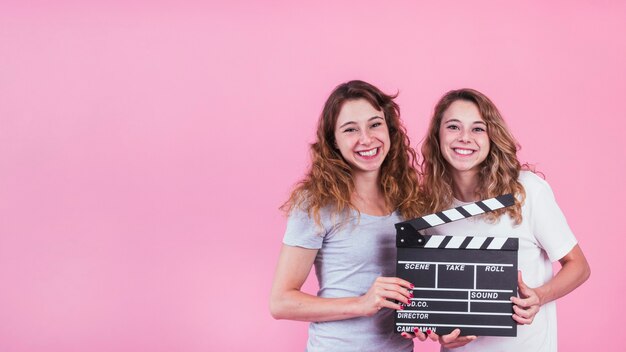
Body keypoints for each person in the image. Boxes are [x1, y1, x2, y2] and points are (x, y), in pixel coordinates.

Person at [416, 88, 591, 351]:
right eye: (453, 126)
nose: (465, 137)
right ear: (438, 136)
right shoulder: (428, 204)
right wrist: (440, 332)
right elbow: (432, 294)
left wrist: (539, 297)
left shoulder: (527, 191)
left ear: (491, 137)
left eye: (478, 129)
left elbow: (579, 266)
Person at [269, 80, 423, 351]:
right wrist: (361, 304)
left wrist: (426, 318)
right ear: (334, 142)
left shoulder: (408, 198)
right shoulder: (316, 203)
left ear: (389, 129)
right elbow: (281, 302)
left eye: (375, 124)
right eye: (350, 129)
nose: (366, 138)